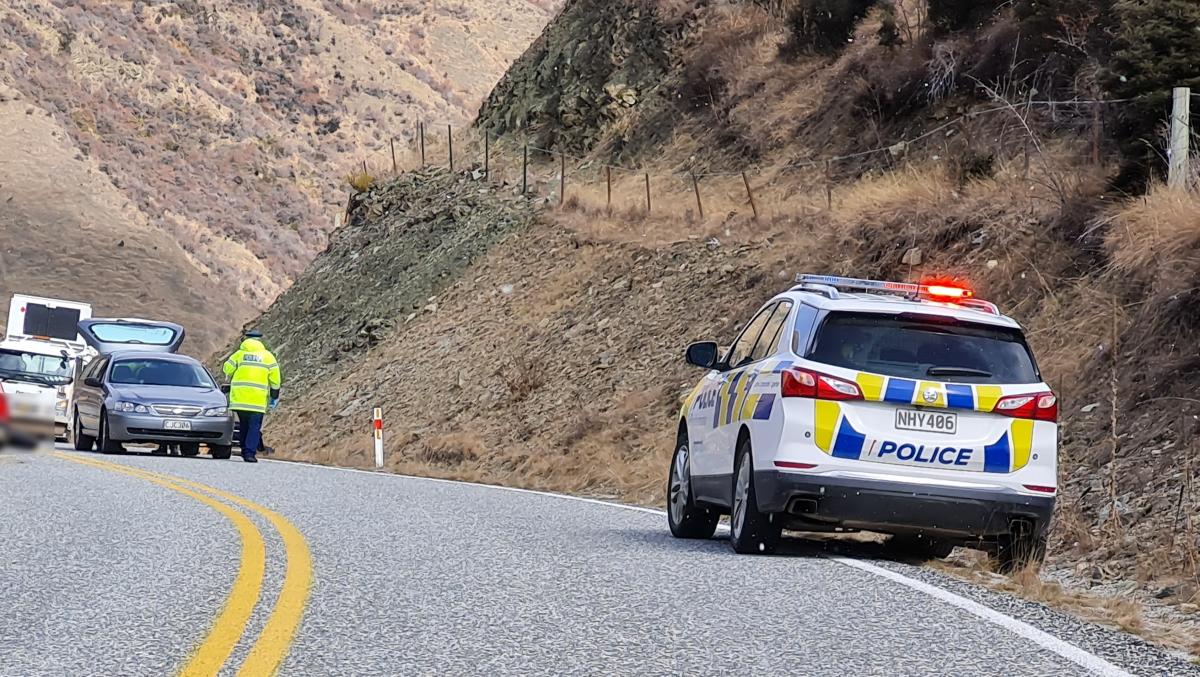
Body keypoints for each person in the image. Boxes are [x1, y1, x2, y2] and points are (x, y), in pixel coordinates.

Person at [222, 330, 281, 463]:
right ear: (260, 342)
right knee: (254, 427)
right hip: (257, 401)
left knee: (244, 425)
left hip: (240, 399)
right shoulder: (268, 357)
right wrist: (274, 395)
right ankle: (249, 453)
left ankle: (244, 450)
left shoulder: (239, 354)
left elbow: (227, 369)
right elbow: (275, 379)